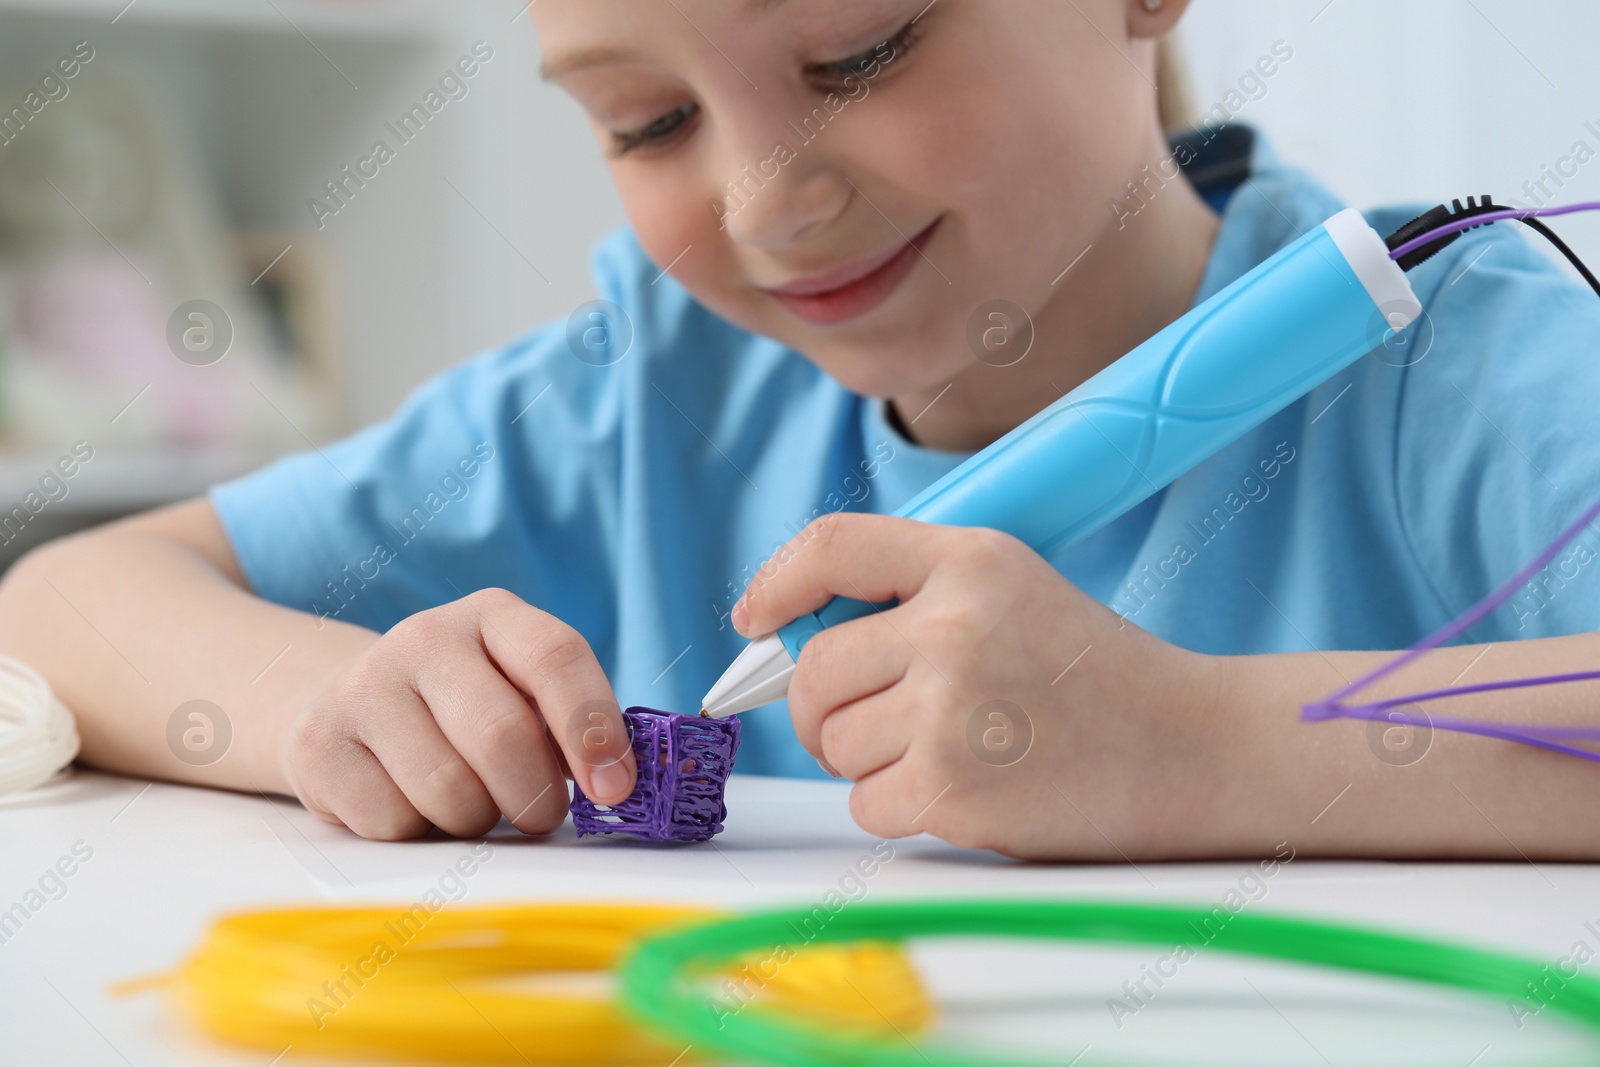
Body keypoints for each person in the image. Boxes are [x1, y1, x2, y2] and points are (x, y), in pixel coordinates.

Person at [4, 0, 1598, 859]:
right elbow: (62, 600)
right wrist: (331, 705)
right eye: (650, 123)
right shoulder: (645, 387)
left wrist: (1210, 746)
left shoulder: (1459, 363)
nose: (770, 200)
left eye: (862, 52)